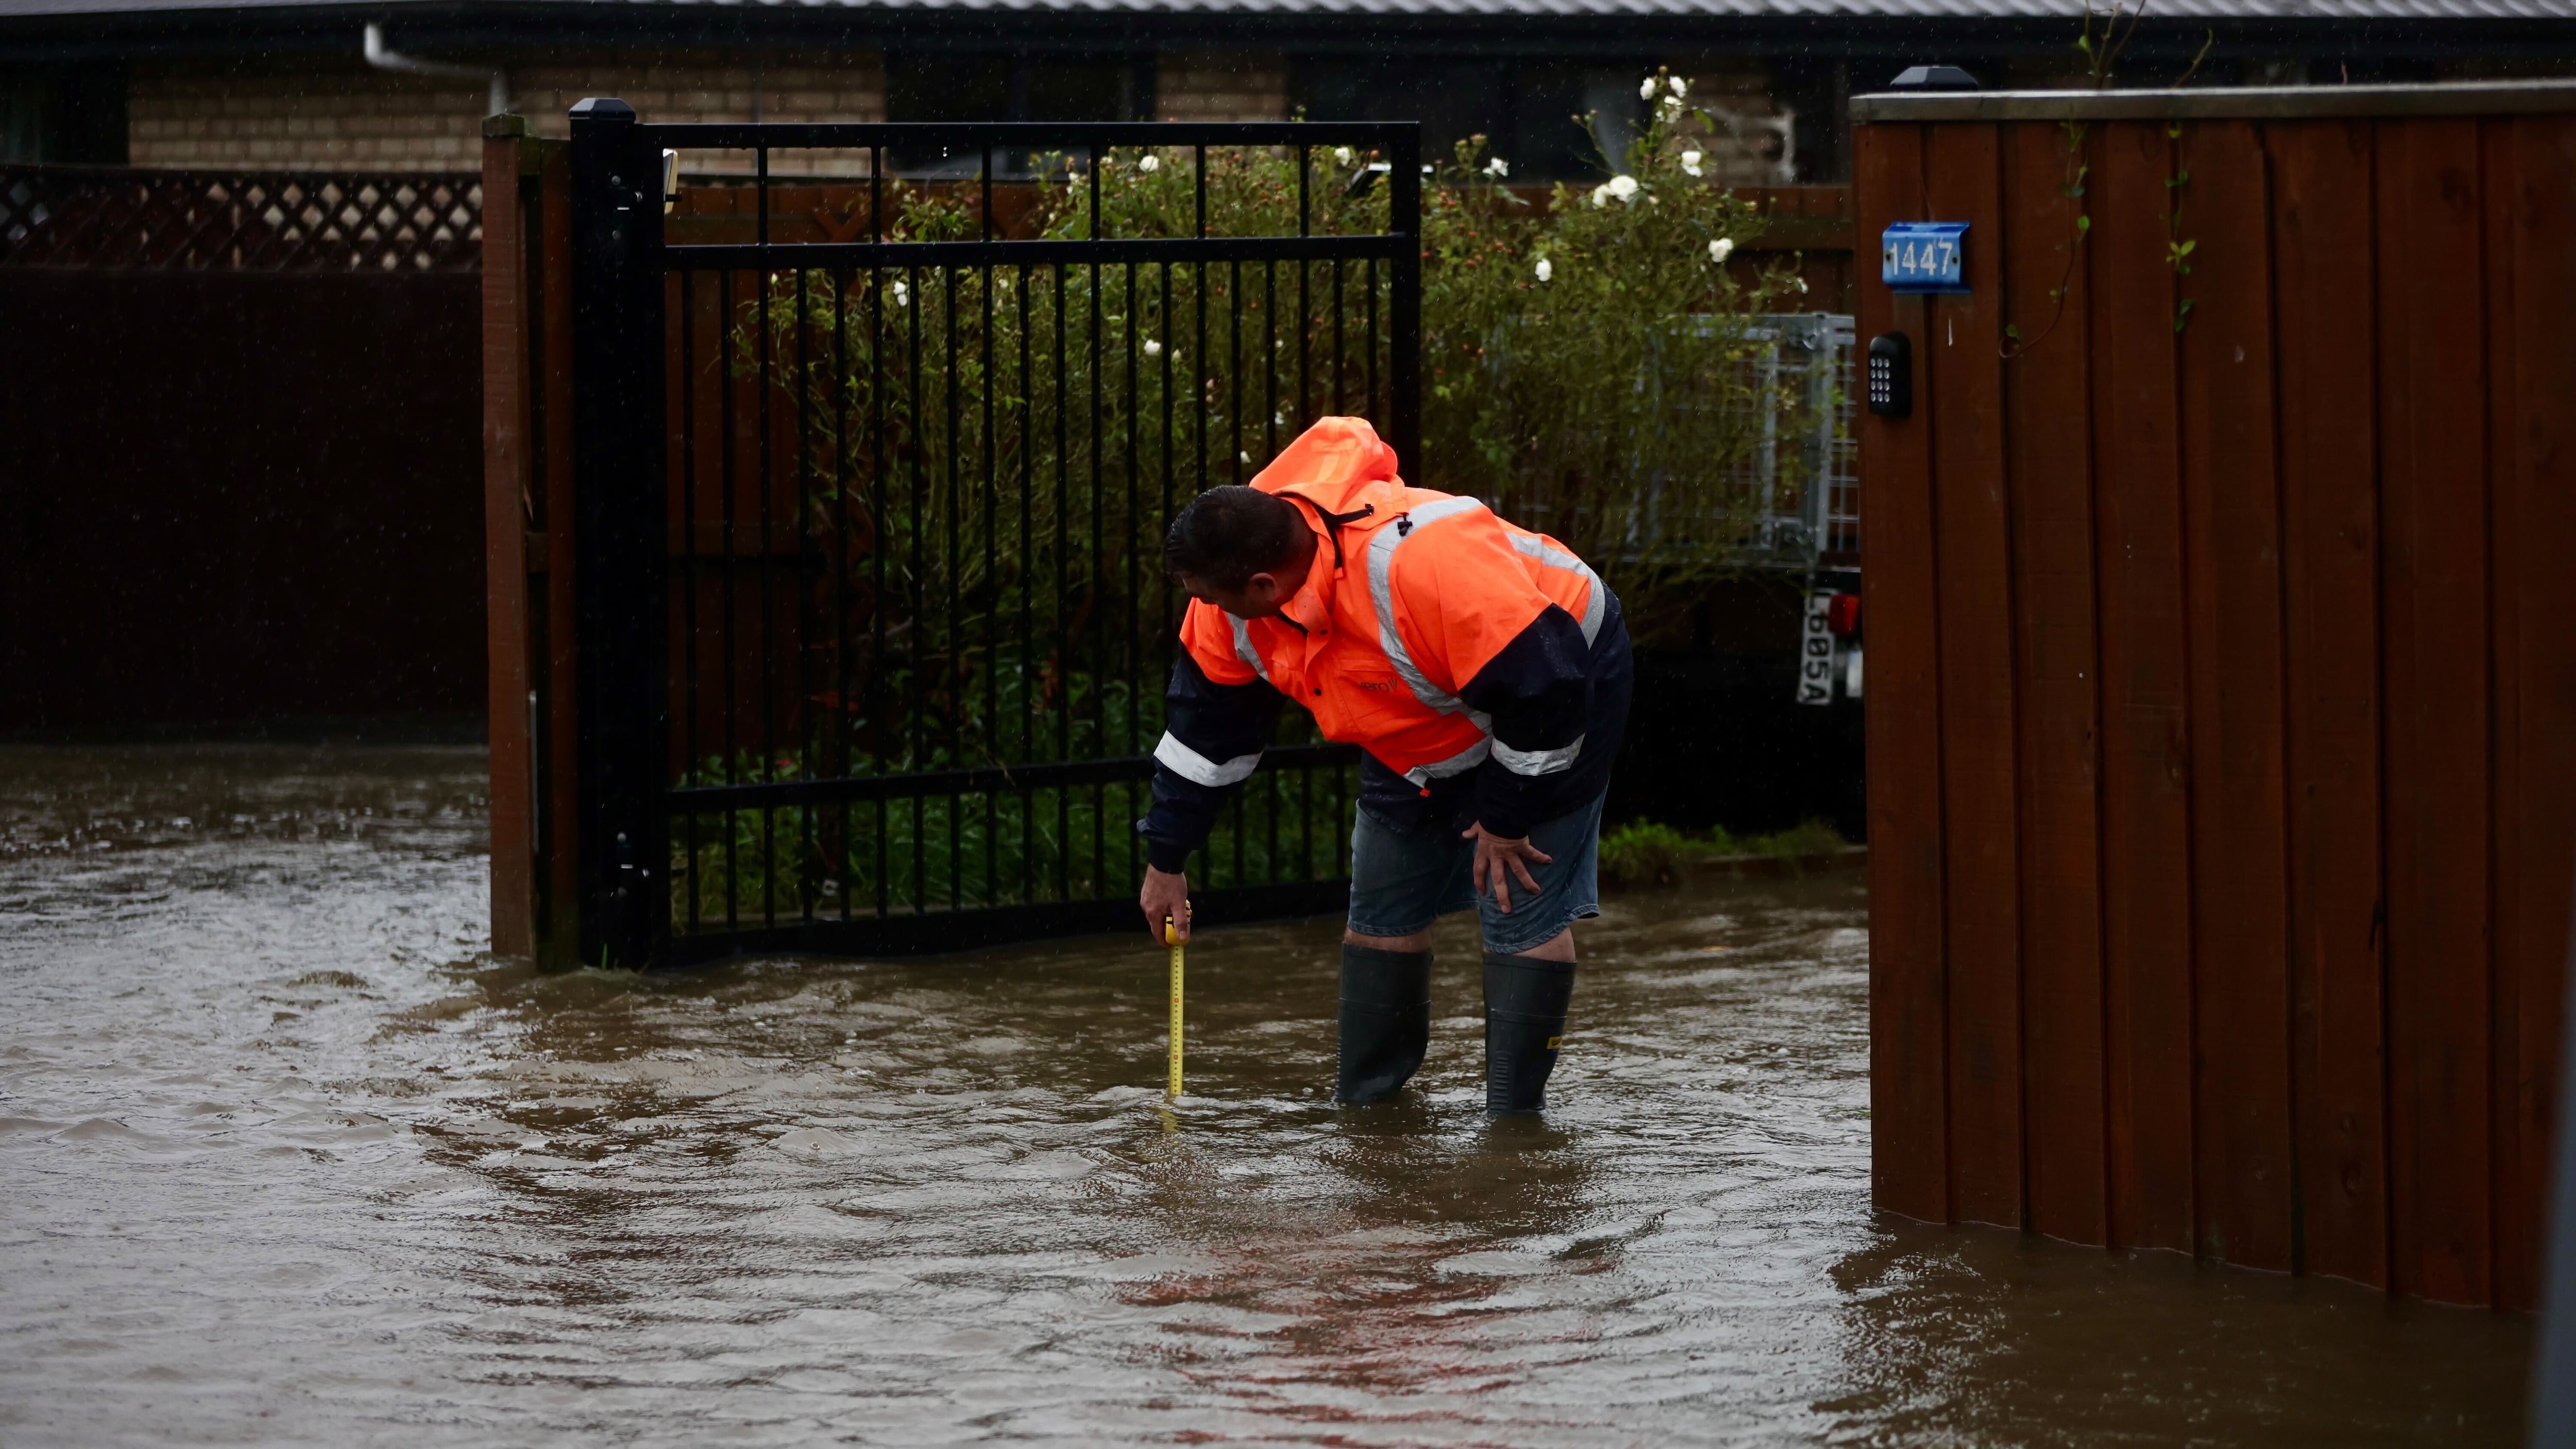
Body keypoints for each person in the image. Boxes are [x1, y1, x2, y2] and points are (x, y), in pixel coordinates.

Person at [1134, 416, 1633, 1114]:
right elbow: (1204, 737)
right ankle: (1367, 1109)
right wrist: (1166, 859)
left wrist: (1505, 817)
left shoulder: (1423, 566)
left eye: (1212, 599)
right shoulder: (1231, 605)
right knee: (1382, 899)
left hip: (1559, 676)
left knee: (1516, 895)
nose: (1203, 612)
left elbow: (1545, 690)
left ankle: (1514, 1128)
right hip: (1416, 714)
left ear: (1263, 586)